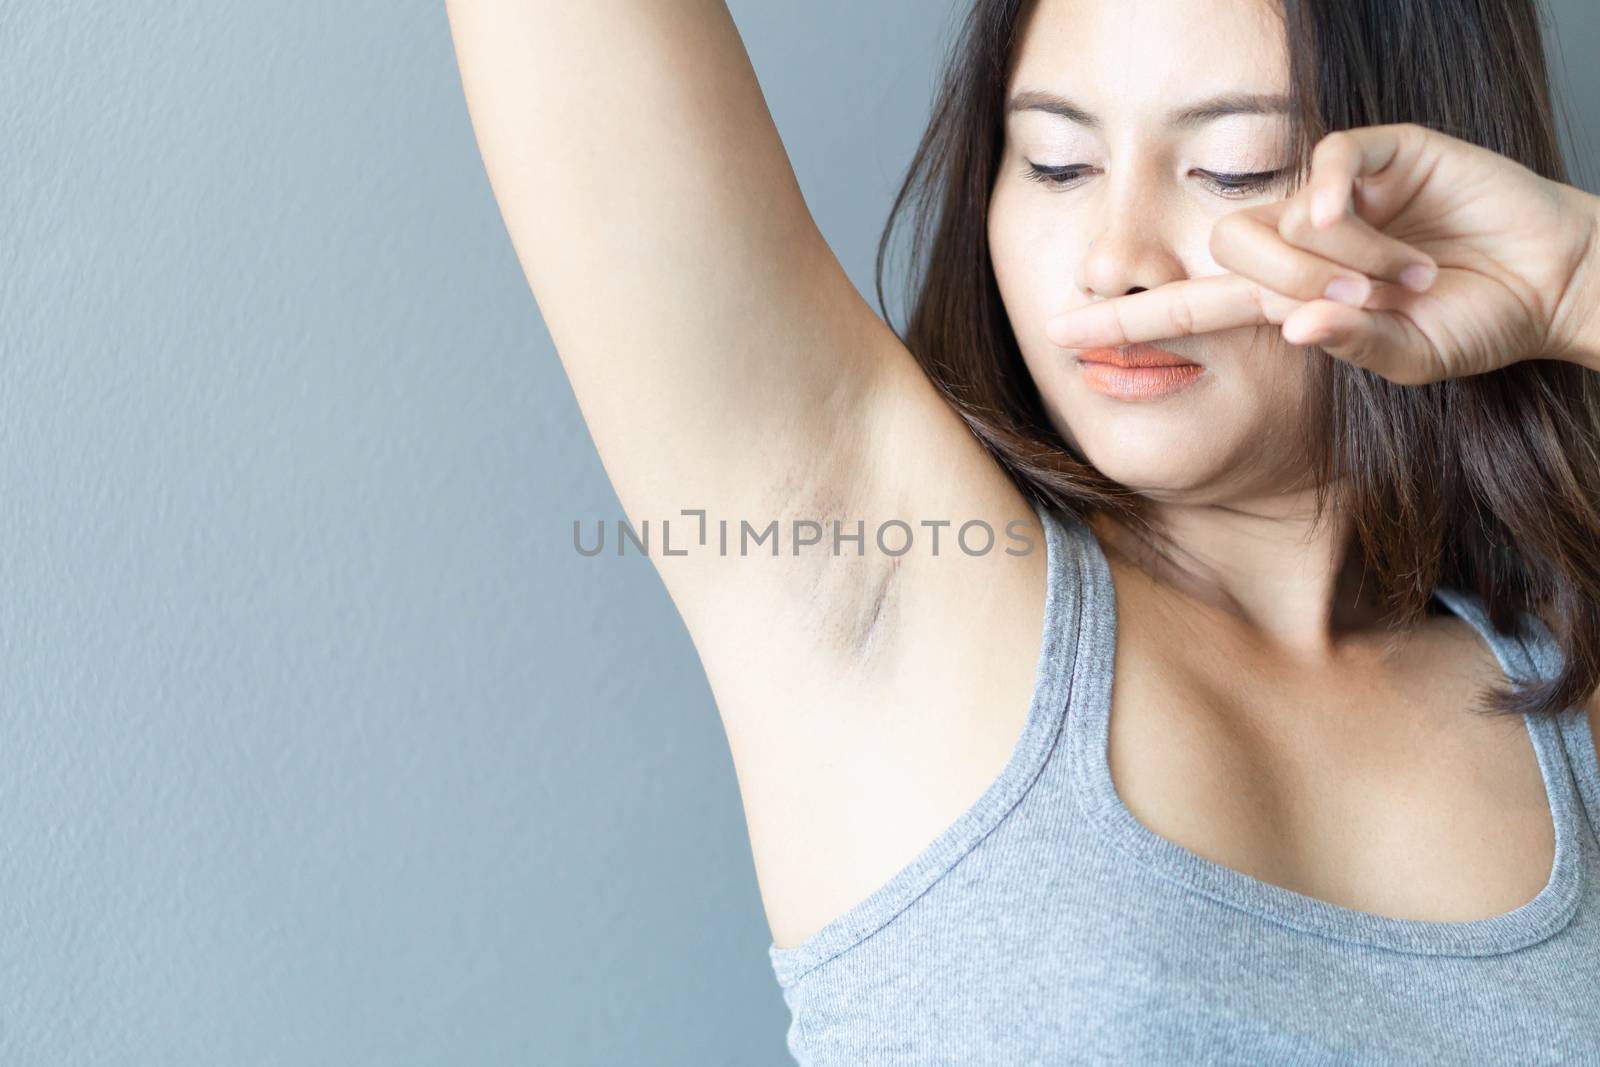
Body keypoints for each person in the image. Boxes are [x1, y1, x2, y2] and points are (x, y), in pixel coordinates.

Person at [444, 0, 1600, 1061]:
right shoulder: (888, 584)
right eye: (1054, 161)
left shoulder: (1572, 702)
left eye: (1230, 167)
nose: (1114, 259)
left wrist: (1578, 281)